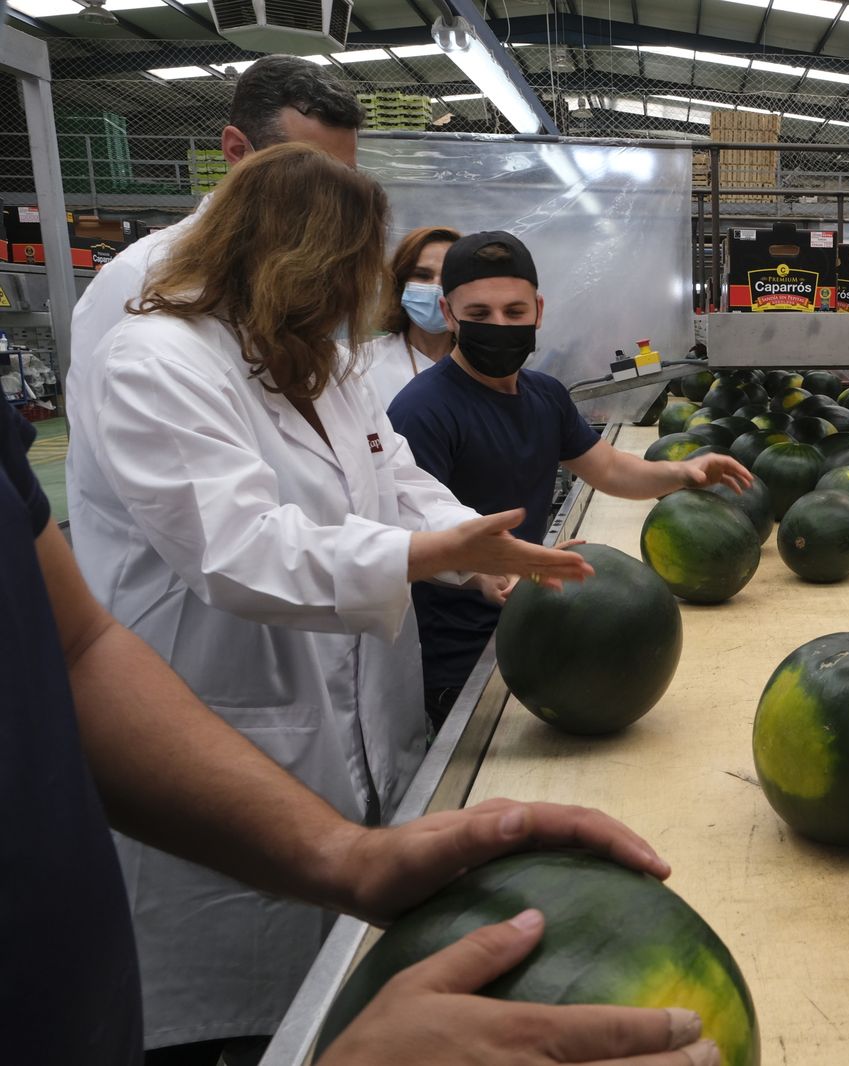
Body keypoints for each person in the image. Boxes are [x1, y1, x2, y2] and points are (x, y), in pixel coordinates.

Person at [65, 144, 597, 1061]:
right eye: (338, 279)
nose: (350, 307)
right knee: (232, 1015)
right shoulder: (154, 360)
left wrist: (479, 550)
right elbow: (237, 550)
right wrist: (429, 552)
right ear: (284, 261)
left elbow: (396, 476)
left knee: (338, 988)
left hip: (352, 718)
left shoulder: (314, 357)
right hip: (228, 715)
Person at [3, 401, 721, 1066]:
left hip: (81, 997)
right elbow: (234, 546)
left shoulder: (328, 371)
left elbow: (76, 647)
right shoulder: (157, 354)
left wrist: (346, 856)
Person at [389, 231, 753, 727]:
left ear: (538, 310)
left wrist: (682, 473)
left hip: (550, 630)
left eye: (514, 313)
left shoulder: (545, 395)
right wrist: (487, 572)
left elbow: (606, 467)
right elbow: (412, 528)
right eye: (479, 315)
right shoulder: (422, 410)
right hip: (466, 660)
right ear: (450, 315)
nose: (499, 325)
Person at [70, 55, 363, 369]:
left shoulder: (314, 267)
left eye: (345, 177)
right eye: (309, 173)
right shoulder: (139, 277)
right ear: (237, 150)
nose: (332, 200)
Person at [362, 225, 460, 408]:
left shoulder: (479, 368)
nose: (436, 287)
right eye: (423, 276)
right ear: (399, 283)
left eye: (448, 277)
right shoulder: (363, 365)